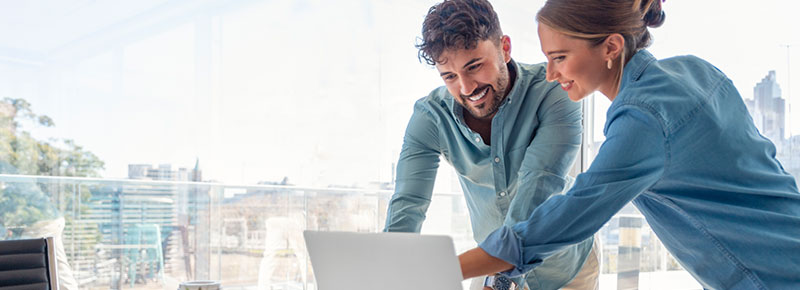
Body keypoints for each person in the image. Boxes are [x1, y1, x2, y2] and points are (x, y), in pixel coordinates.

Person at [458, 0, 800, 289]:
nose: (550, 73)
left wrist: (446, 269)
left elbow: (565, 218)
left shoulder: (643, 119)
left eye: (559, 57)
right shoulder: (697, 71)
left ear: (611, 47)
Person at [383, 0, 600, 289]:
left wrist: (498, 281)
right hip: (490, 263)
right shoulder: (431, 117)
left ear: (505, 48)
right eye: (449, 77)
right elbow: (407, 206)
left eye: (474, 66)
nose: (466, 88)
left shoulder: (553, 92)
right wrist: (384, 274)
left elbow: (538, 186)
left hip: (565, 266)